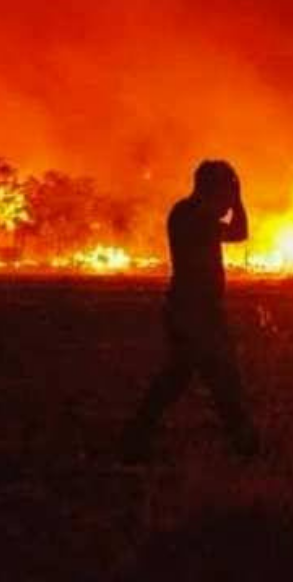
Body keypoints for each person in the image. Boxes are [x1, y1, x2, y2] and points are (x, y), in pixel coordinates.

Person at [122, 160, 259, 462]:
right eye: (223, 189)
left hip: (193, 309)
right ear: (211, 188)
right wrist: (237, 200)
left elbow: (238, 233)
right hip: (195, 312)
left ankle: (136, 435)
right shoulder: (195, 216)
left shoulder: (189, 213)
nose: (226, 198)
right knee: (221, 376)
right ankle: (244, 442)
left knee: (181, 377)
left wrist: (234, 199)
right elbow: (238, 231)